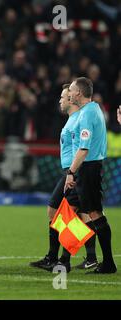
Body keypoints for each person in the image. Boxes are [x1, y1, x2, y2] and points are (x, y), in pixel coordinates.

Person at [29, 84, 97, 272]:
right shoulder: (72, 119)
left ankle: (58, 257)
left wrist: (73, 173)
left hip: (72, 172)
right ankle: (88, 257)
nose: (60, 100)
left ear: (70, 99)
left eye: (62, 97)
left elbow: (81, 148)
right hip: (71, 171)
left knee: (56, 210)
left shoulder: (77, 120)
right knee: (81, 215)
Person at [65, 77, 117, 274]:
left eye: (70, 90)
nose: (69, 93)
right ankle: (70, 257)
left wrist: (71, 172)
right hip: (91, 167)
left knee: (94, 214)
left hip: (89, 168)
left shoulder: (87, 114)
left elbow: (84, 148)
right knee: (84, 212)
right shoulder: (95, 109)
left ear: (78, 93)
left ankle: (108, 263)